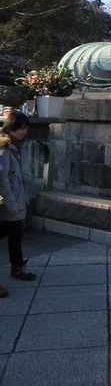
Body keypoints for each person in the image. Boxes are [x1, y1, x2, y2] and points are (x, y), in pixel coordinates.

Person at [0, 110, 37, 288]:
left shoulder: (17, 146)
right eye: (21, 129)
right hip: (9, 201)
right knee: (13, 232)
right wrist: (11, 203)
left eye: (26, 128)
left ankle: (17, 266)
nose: (24, 132)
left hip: (17, 198)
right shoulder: (5, 149)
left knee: (15, 233)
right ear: (12, 128)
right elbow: (2, 180)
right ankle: (17, 267)